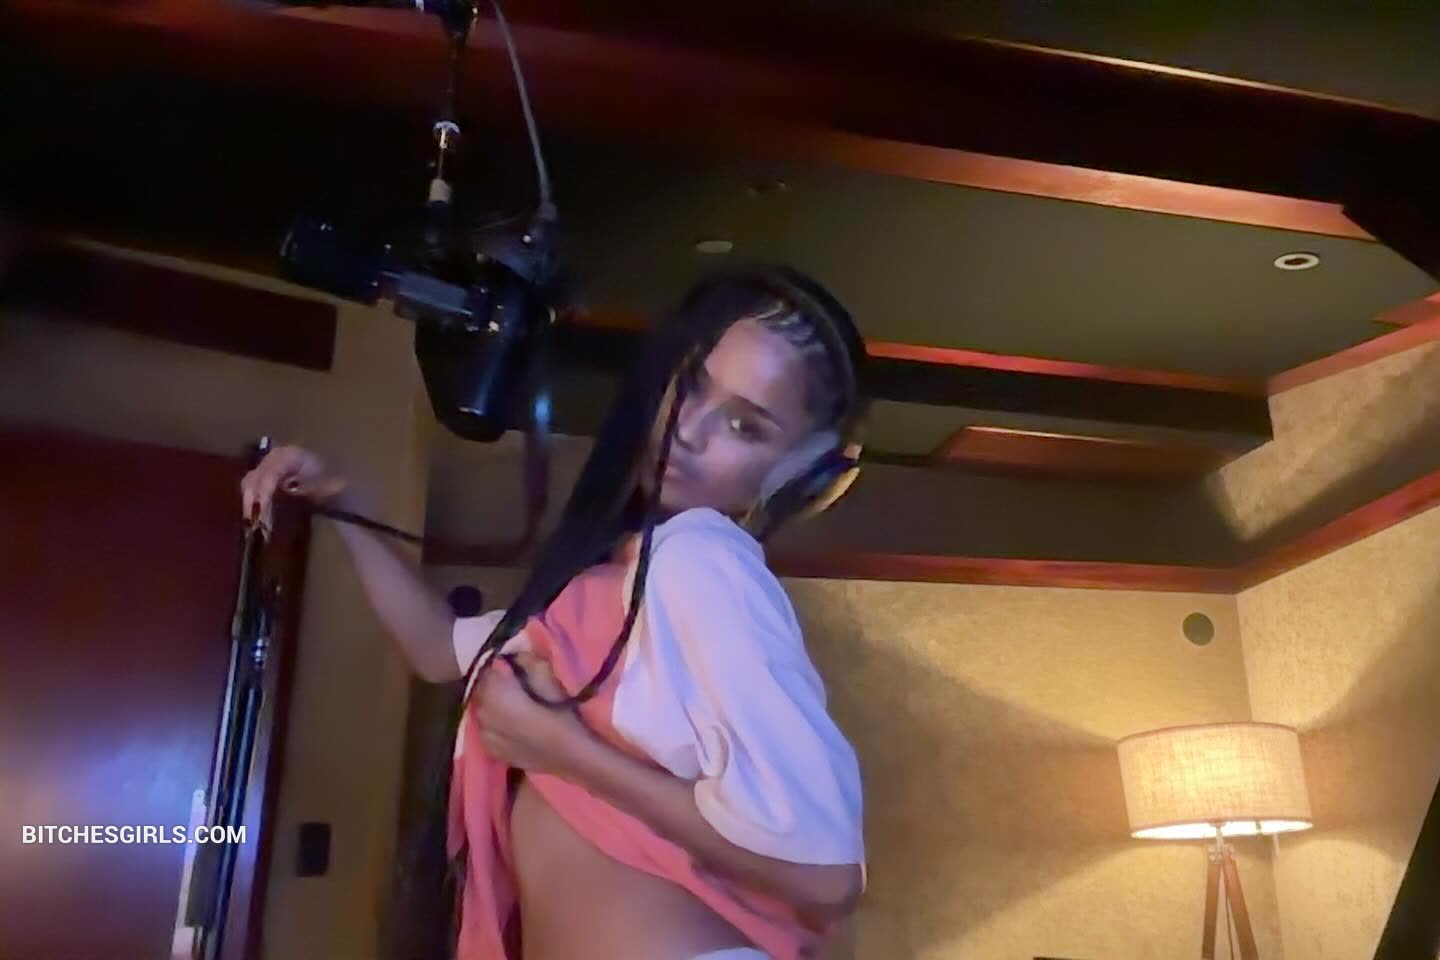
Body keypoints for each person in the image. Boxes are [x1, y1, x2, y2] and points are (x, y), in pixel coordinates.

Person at [241, 265, 868, 960]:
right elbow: (438, 647)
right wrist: (342, 501)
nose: (688, 431)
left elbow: (827, 876)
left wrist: (560, 748)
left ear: (801, 475)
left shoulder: (701, 557)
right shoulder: (613, 587)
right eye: (690, 385)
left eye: (745, 426)